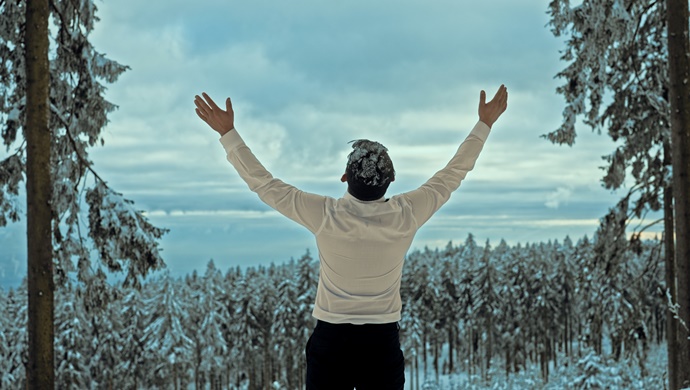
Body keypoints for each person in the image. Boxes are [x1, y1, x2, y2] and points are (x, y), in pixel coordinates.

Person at [194, 85, 508, 390]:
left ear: (345, 177)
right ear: (392, 180)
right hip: (381, 345)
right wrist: (484, 124)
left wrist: (228, 134)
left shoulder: (325, 215)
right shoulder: (406, 214)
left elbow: (265, 184)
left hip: (330, 343)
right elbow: (453, 173)